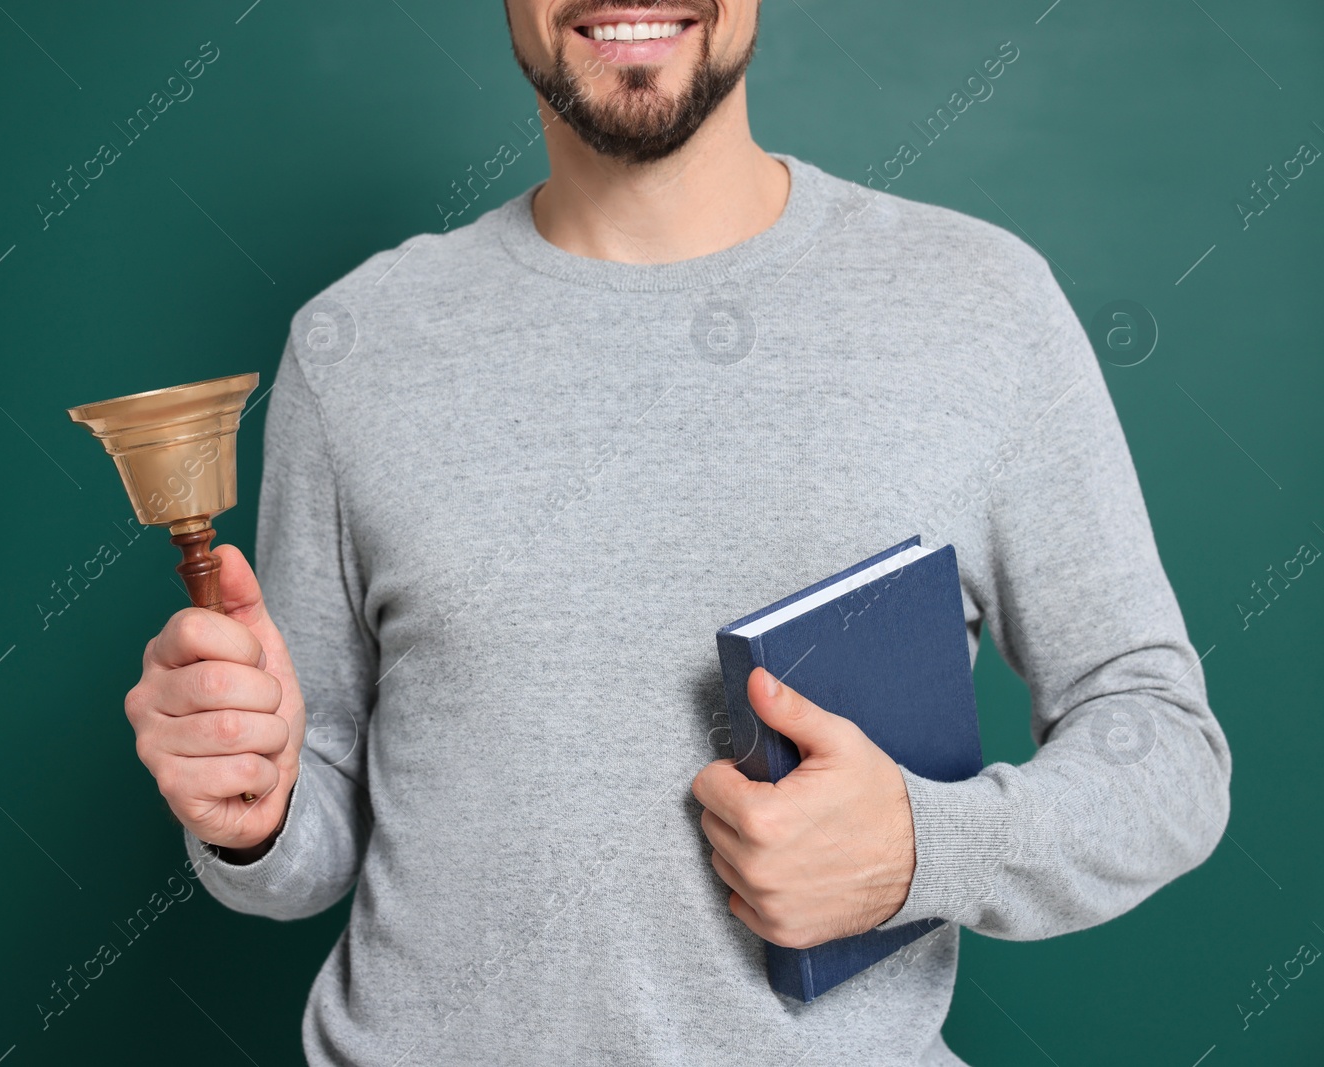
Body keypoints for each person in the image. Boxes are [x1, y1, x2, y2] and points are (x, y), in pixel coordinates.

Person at [121, 2, 1232, 1063]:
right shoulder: (354, 344)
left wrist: (925, 849)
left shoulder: (978, 305)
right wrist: (250, 809)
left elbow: (1164, 746)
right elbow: (303, 844)